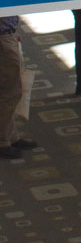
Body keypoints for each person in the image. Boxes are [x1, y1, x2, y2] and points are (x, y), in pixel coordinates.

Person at [0, 16, 36, 160]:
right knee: (9, 92)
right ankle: (2, 141)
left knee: (13, 89)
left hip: (8, 35)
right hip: (3, 39)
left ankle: (11, 136)